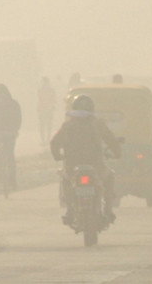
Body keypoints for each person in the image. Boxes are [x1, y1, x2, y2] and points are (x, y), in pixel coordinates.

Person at [51, 95, 121, 224]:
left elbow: (54, 143)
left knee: (66, 180)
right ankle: (108, 209)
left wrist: (57, 156)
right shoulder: (98, 124)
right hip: (96, 166)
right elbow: (112, 141)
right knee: (110, 176)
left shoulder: (67, 126)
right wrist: (117, 153)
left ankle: (70, 211)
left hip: (72, 166)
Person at [37, 77, 57, 145]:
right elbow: (39, 100)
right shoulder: (41, 90)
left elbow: (53, 100)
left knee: (47, 125)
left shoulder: (50, 90)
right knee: (43, 125)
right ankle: (44, 140)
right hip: (43, 109)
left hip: (47, 109)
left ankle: (47, 139)